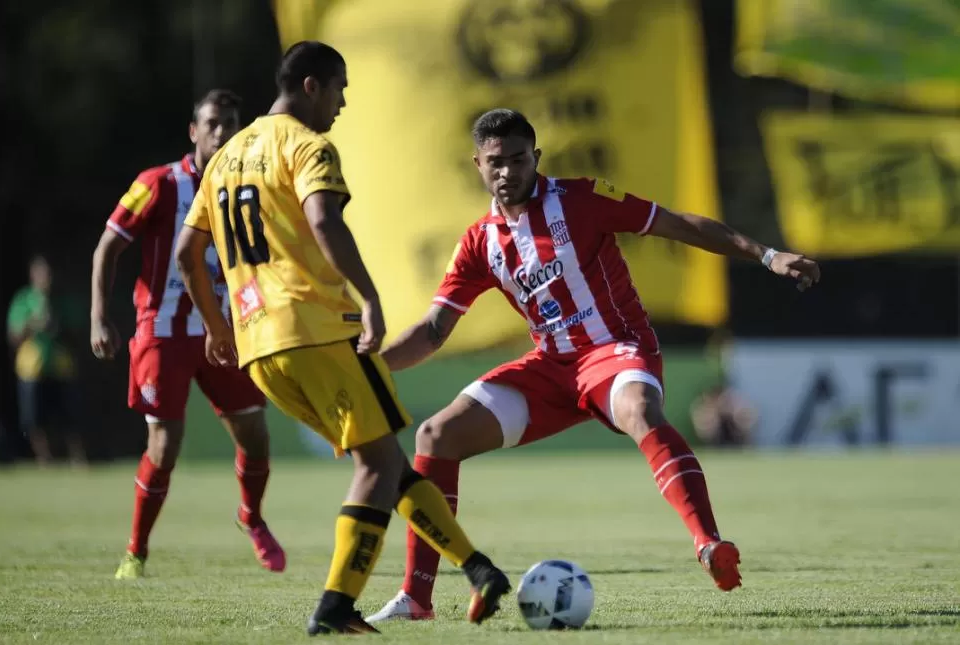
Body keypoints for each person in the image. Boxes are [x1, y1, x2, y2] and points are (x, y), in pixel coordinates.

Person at [367, 108, 822, 622]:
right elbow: (431, 332)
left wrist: (765, 255)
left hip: (614, 349)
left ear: (535, 157)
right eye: (496, 162)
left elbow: (675, 223)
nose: (508, 172)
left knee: (639, 410)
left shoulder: (581, 199)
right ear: (477, 163)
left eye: (519, 159)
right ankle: (416, 599)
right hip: (550, 366)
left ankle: (708, 543)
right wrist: (370, 370)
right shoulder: (479, 242)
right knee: (435, 435)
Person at [173, 41, 510, 636]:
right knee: (378, 465)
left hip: (257, 348)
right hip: (316, 328)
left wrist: (217, 323)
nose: (343, 102)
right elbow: (325, 219)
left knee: (381, 460)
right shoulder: (307, 146)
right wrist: (372, 300)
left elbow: (186, 252)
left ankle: (478, 569)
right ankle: (335, 606)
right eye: (339, 89)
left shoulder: (225, 157)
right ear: (311, 86)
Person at [90, 89, 284, 580]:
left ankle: (251, 517)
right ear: (193, 131)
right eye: (213, 124)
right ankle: (136, 552)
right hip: (165, 332)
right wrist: (99, 316)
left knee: (256, 436)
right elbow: (107, 248)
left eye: (230, 125)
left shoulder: (244, 189)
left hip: (223, 331)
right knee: (164, 445)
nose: (222, 133)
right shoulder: (157, 184)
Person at [8, 255, 87, 466]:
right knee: (33, 418)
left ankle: (77, 458)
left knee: (70, 416)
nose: (45, 279)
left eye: (48, 274)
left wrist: (58, 324)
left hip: (61, 367)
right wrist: (33, 324)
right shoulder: (24, 299)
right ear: (33, 275)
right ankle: (44, 458)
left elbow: (77, 334)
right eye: (41, 274)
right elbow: (13, 335)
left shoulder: (63, 301)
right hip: (31, 368)